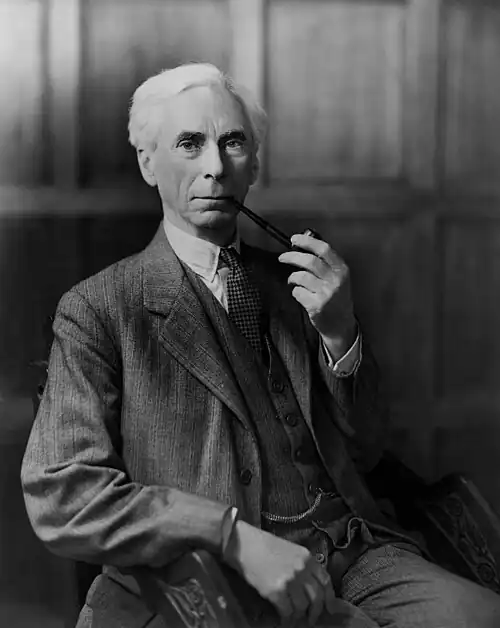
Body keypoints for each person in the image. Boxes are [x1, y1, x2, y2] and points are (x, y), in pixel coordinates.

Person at [21, 63, 500, 628]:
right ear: (149, 163)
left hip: (355, 552)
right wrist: (230, 535)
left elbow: (367, 452)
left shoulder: (299, 286)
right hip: (219, 576)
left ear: (254, 165)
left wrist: (341, 334)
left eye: (233, 143)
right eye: (189, 144)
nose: (215, 167)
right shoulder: (99, 309)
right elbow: (64, 493)